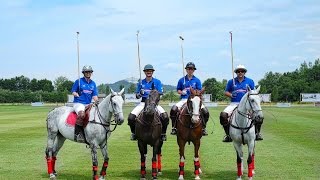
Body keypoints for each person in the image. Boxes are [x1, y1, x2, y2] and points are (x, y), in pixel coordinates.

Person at [220, 64, 263, 142]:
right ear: (236, 72)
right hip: (234, 103)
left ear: (244, 72)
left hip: (247, 105)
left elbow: (254, 92)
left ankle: (257, 133)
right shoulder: (231, 81)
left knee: (259, 116)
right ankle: (228, 135)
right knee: (223, 116)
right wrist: (231, 95)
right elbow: (226, 92)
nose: (240, 73)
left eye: (242, 71)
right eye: (238, 71)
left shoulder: (250, 81)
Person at [127, 64, 169, 141]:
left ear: (152, 72)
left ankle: (163, 134)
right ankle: (134, 133)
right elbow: (137, 96)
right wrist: (140, 93)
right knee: (131, 117)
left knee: (165, 117)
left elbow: (160, 94)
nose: (148, 72)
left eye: (150, 71)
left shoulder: (157, 82)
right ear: (144, 72)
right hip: (143, 103)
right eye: (147, 71)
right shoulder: (141, 82)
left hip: (154, 104)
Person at [170, 62, 209, 136]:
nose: (190, 70)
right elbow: (178, 90)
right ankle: (174, 127)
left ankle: (203, 128)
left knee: (205, 112)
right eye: (188, 69)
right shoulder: (181, 80)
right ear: (186, 70)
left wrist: (195, 93)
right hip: (184, 99)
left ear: (194, 70)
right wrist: (182, 92)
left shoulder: (197, 80)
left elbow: (199, 91)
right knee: (174, 109)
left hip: (194, 99)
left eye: (192, 69)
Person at [71, 65, 99, 143]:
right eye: (86, 72)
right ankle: (77, 134)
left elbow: (95, 95)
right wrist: (76, 94)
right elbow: (73, 91)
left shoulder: (93, 83)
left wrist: (97, 101)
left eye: (89, 72)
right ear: (83, 73)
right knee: (81, 115)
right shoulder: (79, 81)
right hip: (79, 103)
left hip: (88, 103)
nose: (88, 73)